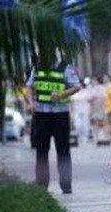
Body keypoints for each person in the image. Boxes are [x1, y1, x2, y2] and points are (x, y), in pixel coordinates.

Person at [26, 51, 81, 193]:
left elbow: (77, 86)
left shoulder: (65, 67)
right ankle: (41, 185)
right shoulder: (37, 67)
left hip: (60, 115)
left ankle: (66, 186)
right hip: (41, 114)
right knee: (41, 150)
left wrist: (61, 94)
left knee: (63, 150)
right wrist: (30, 103)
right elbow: (29, 86)